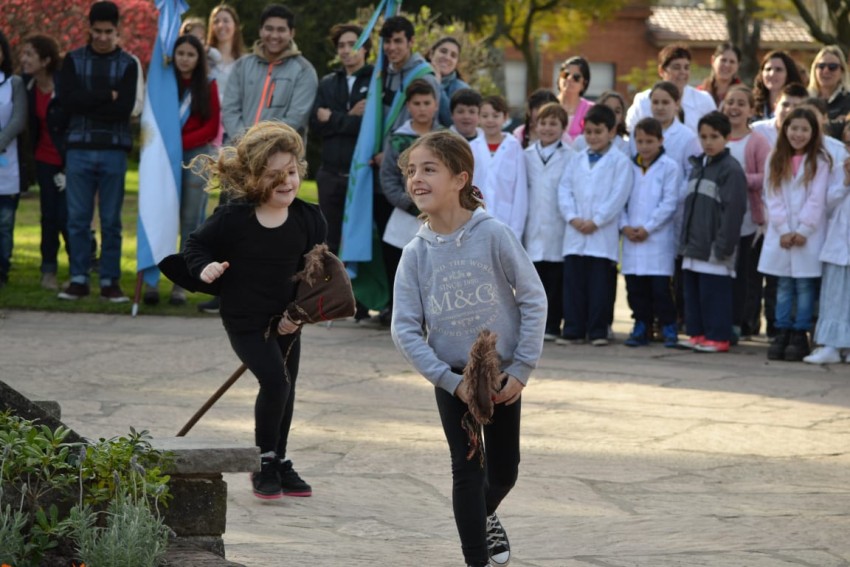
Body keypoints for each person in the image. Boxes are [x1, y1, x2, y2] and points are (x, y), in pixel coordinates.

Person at [390, 130, 546, 567]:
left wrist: (521, 370)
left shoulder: (493, 233)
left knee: (504, 472)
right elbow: (404, 329)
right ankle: (475, 560)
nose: (416, 179)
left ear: (460, 178)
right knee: (465, 470)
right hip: (452, 378)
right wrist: (448, 381)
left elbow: (533, 297)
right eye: (411, 171)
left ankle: (486, 513)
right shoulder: (415, 254)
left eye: (428, 169)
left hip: (500, 376)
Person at [166, 121, 325, 499]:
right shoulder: (233, 218)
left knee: (287, 387)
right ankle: (264, 460)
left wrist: (297, 316)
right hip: (245, 320)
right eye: (274, 176)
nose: (286, 182)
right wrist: (204, 268)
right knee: (275, 382)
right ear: (253, 179)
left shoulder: (309, 218)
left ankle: (281, 460)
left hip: (287, 321)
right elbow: (195, 246)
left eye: (291, 172)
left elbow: (315, 273)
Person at [56, 1, 138, 302]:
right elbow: (68, 101)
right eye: (98, 31)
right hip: (78, 148)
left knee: (111, 221)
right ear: (89, 29)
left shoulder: (128, 64)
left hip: (114, 151)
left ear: (118, 31)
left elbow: (123, 109)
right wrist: (106, 96)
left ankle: (109, 280)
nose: (103, 37)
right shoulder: (73, 61)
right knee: (77, 219)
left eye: (109, 32)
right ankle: (78, 277)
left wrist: (89, 101)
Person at [145, 34, 221, 306]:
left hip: (195, 156)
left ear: (199, 58)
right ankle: (152, 281)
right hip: (163, 156)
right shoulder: (164, 84)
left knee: (191, 221)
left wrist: (179, 144)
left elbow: (211, 128)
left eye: (191, 54)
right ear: (173, 56)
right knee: (160, 218)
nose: (185, 59)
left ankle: (182, 283)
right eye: (180, 53)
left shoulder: (208, 85)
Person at [757, 107, 830, 361]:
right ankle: (782, 330)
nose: (798, 134)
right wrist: (784, 230)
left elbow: (817, 199)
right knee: (784, 285)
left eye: (804, 129)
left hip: (806, 237)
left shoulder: (820, 161)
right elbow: (771, 196)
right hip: (782, 236)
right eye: (794, 128)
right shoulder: (775, 157)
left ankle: (800, 333)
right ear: (784, 129)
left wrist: (803, 230)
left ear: (813, 132)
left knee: (805, 286)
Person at [557, 104, 633, 346]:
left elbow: (618, 195)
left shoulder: (620, 162)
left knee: (600, 286)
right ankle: (573, 329)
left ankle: (599, 330)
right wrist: (572, 217)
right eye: (588, 132)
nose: (592, 137)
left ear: (612, 132)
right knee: (574, 285)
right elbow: (564, 189)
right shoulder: (576, 159)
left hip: (602, 233)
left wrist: (597, 220)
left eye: (598, 131)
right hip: (575, 231)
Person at [678, 111, 747, 353]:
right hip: (693, 245)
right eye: (703, 136)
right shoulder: (698, 165)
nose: (708, 142)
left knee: (714, 293)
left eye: (714, 136)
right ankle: (698, 333)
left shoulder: (731, 170)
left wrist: (723, 246)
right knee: (695, 293)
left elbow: (734, 213)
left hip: (714, 248)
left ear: (727, 137)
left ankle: (718, 336)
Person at [378, 79, 441, 319]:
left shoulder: (444, 137)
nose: (422, 108)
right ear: (409, 106)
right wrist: (409, 203)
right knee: (400, 264)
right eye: (417, 103)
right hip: (405, 214)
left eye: (427, 102)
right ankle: (400, 314)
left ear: (435, 105)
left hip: (436, 216)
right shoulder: (397, 138)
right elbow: (388, 179)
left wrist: (436, 204)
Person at [310, 23, 373, 255]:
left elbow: (368, 128)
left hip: (362, 175)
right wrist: (348, 117)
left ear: (365, 48)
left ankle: (359, 289)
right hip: (329, 174)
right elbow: (316, 124)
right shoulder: (327, 82)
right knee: (328, 240)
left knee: (360, 239)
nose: (346, 50)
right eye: (341, 46)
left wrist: (333, 119)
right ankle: (331, 288)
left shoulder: (377, 81)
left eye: (352, 45)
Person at [621, 117, 681, 348]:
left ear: (660, 140)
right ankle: (641, 325)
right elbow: (621, 199)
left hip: (656, 238)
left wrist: (648, 228)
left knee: (660, 289)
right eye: (640, 141)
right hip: (631, 237)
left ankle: (668, 326)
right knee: (635, 288)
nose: (644, 146)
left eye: (649, 141)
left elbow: (669, 202)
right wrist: (625, 225)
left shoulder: (669, 167)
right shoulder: (629, 166)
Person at [221, 4, 317, 141]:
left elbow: (295, 118)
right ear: (260, 31)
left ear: (292, 33)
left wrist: (260, 146)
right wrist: (244, 142)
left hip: (280, 155)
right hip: (239, 153)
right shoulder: (242, 65)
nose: (274, 35)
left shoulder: (304, 70)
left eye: (281, 30)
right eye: (269, 29)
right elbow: (230, 110)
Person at [720, 86, 771, 342]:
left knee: (740, 272)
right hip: (716, 218)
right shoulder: (716, 137)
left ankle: (736, 322)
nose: (735, 108)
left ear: (751, 109)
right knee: (718, 270)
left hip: (746, 218)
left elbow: (766, 176)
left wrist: (738, 179)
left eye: (741, 103)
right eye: (730, 102)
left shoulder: (757, 141)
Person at [19, 34, 68, 291]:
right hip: (43, 160)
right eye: (23, 53)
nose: (23, 59)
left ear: (46, 60)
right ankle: (48, 270)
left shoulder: (65, 84)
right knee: (49, 216)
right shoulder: (25, 85)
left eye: (29, 54)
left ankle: (80, 269)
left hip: (69, 160)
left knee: (69, 217)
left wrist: (69, 164)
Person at [523, 102, 571, 341]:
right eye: (543, 123)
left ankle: (553, 325)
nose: (548, 128)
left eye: (554, 123)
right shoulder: (526, 155)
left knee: (556, 280)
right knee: (533, 282)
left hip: (558, 227)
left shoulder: (570, 156)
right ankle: (534, 328)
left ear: (563, 127)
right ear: (535, 125)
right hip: (533, 225)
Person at [804, 142, 850, 364]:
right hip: (838, 243)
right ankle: (831, 345)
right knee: (834, 296)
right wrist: (846, 182)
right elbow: (828, 204)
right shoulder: (839, 169)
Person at [469, 95, 527, 240]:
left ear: (505, 117)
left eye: (496, 115)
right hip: (475, 218)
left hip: (506, 220)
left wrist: (516, 230)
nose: (490, 120)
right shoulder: (472, 147)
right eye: (485, 115)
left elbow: (520, 190)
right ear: (478, 118)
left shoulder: (514, 146)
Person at [625, 44, 716, 134]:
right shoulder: (643, 100)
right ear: (661, 71)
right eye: (676, 67)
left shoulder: (704, 100)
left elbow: (716, 133)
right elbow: (630, 134)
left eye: (686, 67)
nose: (682, 72)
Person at [378, 16, 440, 136]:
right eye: (387, 41)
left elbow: (430, 126)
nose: (391, 47)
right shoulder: (382, 75)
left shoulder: (425, 78)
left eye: (398, 41)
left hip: (407, 151)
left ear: (411, 42)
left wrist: (390, 151)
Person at [0, 29, 27, 289]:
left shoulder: (14, 84)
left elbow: (19, 119)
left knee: (5, 222)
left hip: (7, 163)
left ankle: (3, 269)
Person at [808, 45, 850, 139]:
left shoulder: (848, 100)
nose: (826, 71)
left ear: (842, 71)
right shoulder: (805, 99)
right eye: (821, 66)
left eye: (832, 67)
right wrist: (838, 123)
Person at [206, 4, 245, 102]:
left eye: (226, 21)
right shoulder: (204, 58)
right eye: (216, 21)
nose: (221, 25)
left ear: (235, 26)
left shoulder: (245, 61)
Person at [428, 37, 469, 127]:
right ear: (431, 54)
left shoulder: (462, 90)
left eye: (453, 55)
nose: (447, 57)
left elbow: (454, 123)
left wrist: (438, 85)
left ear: (457, 63)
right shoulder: (415, 78)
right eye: (443, 51)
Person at [572, 90, 629, 154]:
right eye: (607, 109)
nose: (612, 114)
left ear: (622, 117)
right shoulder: (580, 142)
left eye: (617, 111)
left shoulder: (625, 148)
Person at [753, 51, 804, 120]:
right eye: (768, 69)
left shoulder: (801, 104)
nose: (772, 74)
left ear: (788, 74)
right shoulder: (752, 105)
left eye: (778, 70)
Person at [556, 56, 594, 142]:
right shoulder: (547, 105)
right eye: (565, 74)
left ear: (584, 83)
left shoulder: (591, 110)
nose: (569, 79)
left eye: (576, 77)